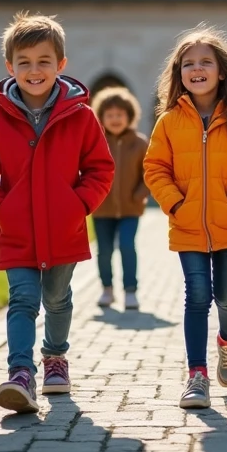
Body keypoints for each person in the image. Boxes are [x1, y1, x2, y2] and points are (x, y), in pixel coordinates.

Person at [0, 12, 115, 414]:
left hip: (64, 229)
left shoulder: (81, 116)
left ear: (60, 65)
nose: (34, 70)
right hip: (18, 231)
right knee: (23, 300)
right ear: (10, 66)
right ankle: (20, 373)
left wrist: (79, 204)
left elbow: (100, 168)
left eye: (44, 61)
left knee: (58, 300)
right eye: (24, 62)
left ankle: (55, 359)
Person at [144, 25, 227, 410]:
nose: (196, 68)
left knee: (226, 296)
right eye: (188, 63)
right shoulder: (169, 122)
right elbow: (155, 168)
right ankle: (197, 376)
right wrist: (176, 205)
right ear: (178, 73)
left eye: (205, 62)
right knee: (197, 296)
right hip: (187, 225)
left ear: (221, 71)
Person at [91, 85, 150, 311]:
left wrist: (140, 193)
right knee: (104, 250)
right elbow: (85, 170)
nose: (115, 119)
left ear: (129, 116)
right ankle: (107, 289)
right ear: (102, 117)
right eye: (110, 115)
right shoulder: (95, 142)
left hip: (130, 208)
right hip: (101, 209)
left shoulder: (140, 143)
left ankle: (130, 291)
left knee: (127, 246)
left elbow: (150, 173)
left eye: (120, 115)